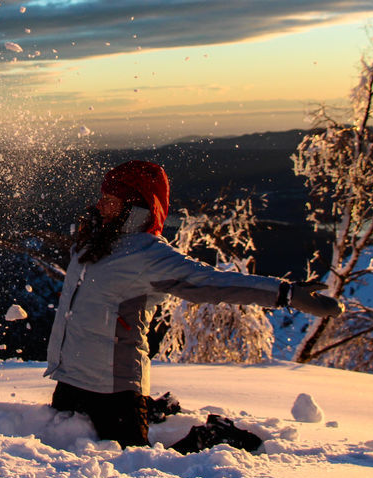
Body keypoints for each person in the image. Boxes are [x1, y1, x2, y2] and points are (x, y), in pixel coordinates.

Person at [45, 160, 342, 453]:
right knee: (69, 447)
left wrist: (285, 293)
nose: (100, 206)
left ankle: (211, 435)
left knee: (136, 462)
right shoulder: (92, 244)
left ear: (134, 209)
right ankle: (155, 411)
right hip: (70, 380)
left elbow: (213, 283)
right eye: (102, 198)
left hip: (114, 389)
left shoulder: (148, 256)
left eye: (109, 200)